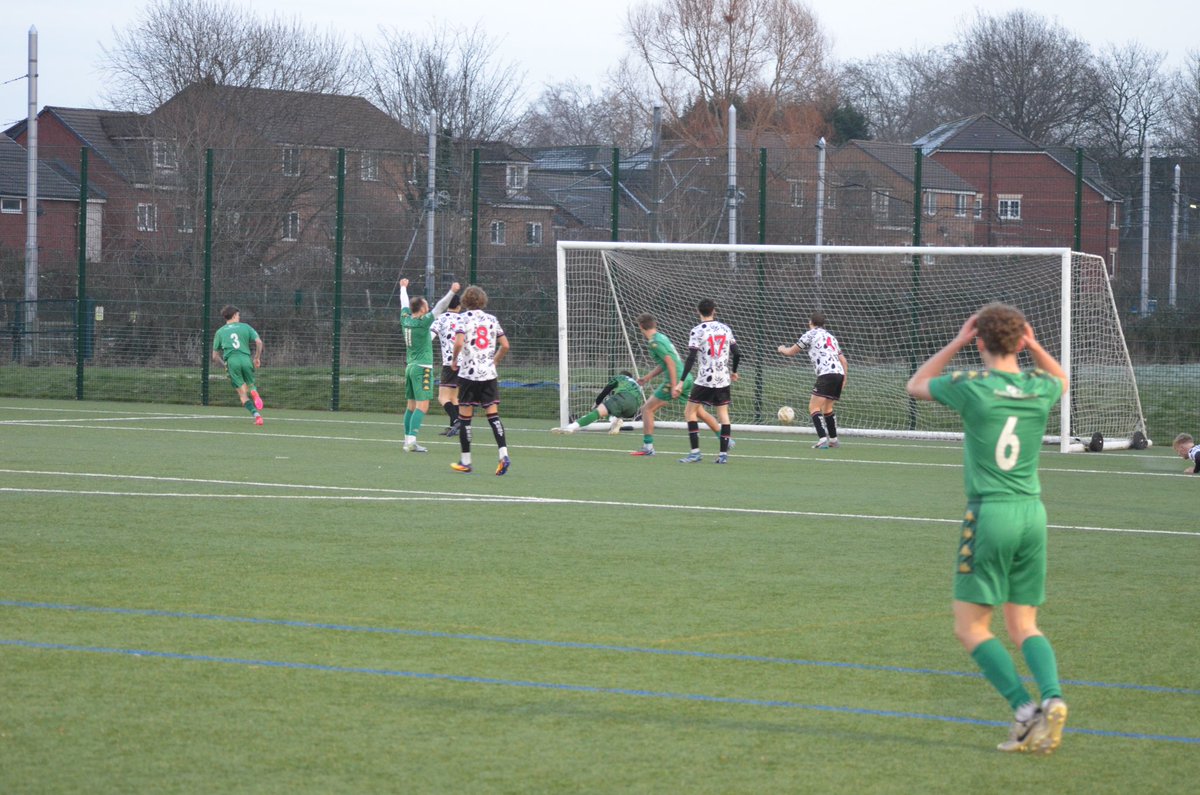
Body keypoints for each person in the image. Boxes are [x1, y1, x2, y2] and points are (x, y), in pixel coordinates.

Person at [905, 303, 1069, 755]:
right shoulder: (1040, 386)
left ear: (979, 341)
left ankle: (1024, 711)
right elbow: (1063, 380)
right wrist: (1034, 346)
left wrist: (956, 341)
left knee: (971, 628)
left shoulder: (971, 387)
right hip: (1032, 514)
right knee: (1024, 624)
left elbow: (915, 385)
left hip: (990, 513)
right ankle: (1052, 696)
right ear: (1021, 341)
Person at [631, 313, 729, 456]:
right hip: (685, 376)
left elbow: (670, 362)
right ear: (654, 324)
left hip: (675, 379)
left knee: (647, 409)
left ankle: (648, 447)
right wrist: (647, 377)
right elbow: (665, 362)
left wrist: (674, 384)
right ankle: (725, 439)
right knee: (699, 412)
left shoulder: (654, 342)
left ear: (641, 327)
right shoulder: (661, 337)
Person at [450, 285, 511, 475]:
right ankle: (504, 455)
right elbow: (505, 345)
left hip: (468, 374)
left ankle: (466, 461)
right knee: (493, 417)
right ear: (483, 300)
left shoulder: (462, 318)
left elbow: (459, 342)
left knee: (465, 418)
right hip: (488, 375)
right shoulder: (492, 319)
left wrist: (454, 360)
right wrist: (494, 361)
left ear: (465, 301)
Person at [672, 299, 739, 464]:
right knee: (723, 415)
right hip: (723, 377)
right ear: (714, 311)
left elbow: (691, 357)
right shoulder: (725, 328)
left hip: (704, 378)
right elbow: (737, 353)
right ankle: (723, 455)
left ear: (698, 311)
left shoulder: (697, 331)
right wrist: (734, 372)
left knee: (689, 412)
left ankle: (695, 453)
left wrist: (681, 381)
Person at [399, 278, 460, 452]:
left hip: (410, 367)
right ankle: (411, 442)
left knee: (411, 406)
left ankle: (407, 440)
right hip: (422, 368)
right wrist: (452, 291)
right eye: (427, 306)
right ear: (423, 309)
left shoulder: (406, 320)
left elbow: (404, 303)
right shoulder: (423, 322)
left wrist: (403, 288)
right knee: (423, 405)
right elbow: (441, 307)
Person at [777, 312, 848, 449]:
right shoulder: (831, 337)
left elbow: (791, 352)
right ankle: (833, 440)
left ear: (810, 322)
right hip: (838, 373)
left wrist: (781, 349)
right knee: (827, 407)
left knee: (813, 407)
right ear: (823, 324)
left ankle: (822, 439)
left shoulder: (810, 334)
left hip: (826, 373)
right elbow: (844, 361)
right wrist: (844, 378)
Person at [211, 305, 264, 426]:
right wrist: (256, 358)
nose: (239, 317)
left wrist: (224, 365)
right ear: (234, 315)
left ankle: (257, 417)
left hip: (232, 362)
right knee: (250, 384)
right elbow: (259, 342)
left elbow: (214, 356)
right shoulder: (246, 327)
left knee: (242, 393)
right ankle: (254, 392)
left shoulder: (220, 332)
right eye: (238, 315)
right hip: (246, 359)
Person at [553, 371, 644, 434]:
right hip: (634, 409)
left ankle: (570, 427)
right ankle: (615, 421)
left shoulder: (620, 377)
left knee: (598, 412)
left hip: (624, 397)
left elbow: (606, 390)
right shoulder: (636, 385)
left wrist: (597, 403)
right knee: (608, 411)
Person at [430, 290, 463, 436]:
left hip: (450, 362)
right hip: (465, 363)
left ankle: (457, 421)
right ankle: (453, 428)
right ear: (459, 306)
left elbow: (430, 336)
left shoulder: (441, 318)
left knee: (442, 397)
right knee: (454, 397)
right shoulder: (464, 319)